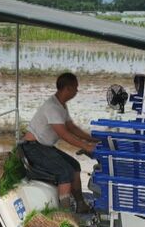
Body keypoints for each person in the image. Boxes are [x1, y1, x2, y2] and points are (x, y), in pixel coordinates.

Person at [20, 72, 98, 213]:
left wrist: (92, 139)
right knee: (65, 171)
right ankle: (65, 213)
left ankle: (80, 204)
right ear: (67, 89)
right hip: (33, 148)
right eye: (75, 87)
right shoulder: (53, 107)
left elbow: (71, 127)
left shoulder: (61, 105)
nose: (77, 91)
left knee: (74, 165)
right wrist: (86, 146)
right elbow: (63, 133)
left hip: (45, 147)